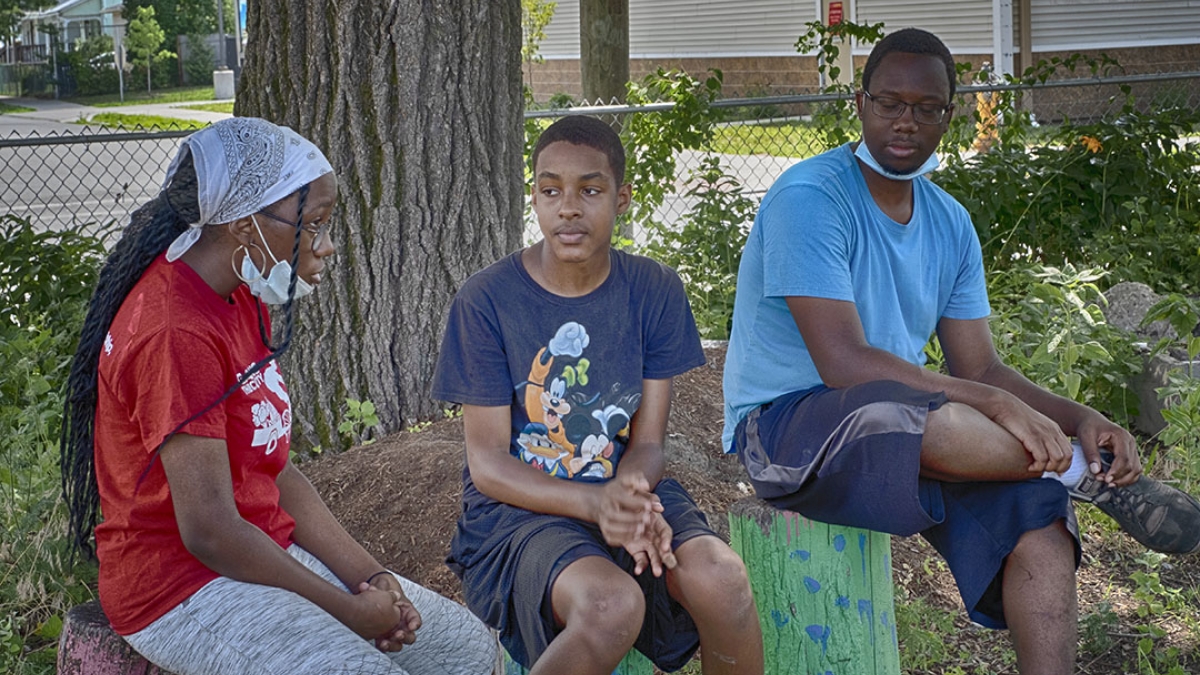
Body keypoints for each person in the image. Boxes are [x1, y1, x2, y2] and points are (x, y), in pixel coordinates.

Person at [722, 28, 1200, 675]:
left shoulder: (948, 222)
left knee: (1040, 516)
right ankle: (1077, 471)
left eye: (925, 107)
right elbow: (844, 363)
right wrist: (999, 404)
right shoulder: (811, 198)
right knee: (933, 415)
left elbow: (979, 366)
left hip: (897, 425)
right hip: (784, 429)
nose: (905, 120)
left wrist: (1077, 416)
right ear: (860, 105)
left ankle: (1064, 486)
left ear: (949, 115)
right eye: (890, 102)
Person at [60, 117, 496, 675]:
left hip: (258, 550)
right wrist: (348, 610)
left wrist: (371, 578)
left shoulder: (239, 293)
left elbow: (276, 472)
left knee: (470, 653)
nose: (327, 245)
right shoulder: (175, 333)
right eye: (313, 225)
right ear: (245, 225)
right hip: (181, 588)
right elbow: (210, 530)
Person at [431, 115, 764, 675]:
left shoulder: (653, 290)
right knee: (612, 606)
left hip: (618, 488)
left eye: (590, 189)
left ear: (622, 197)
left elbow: (649, 443)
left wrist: (630, 500)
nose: (568, 207)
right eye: (550, 190)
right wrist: (597, 505)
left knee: (721, 581)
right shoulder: (487, 301)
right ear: (533, 197)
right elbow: (487, 465)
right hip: (518, 512)